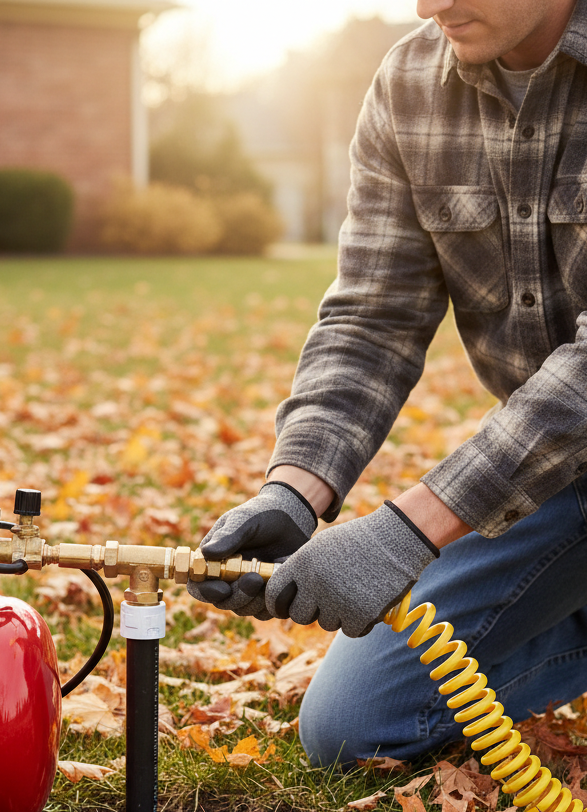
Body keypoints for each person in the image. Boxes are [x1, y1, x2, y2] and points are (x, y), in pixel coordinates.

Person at [187, 0, 587, 769]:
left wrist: (410, 528)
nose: (428, 5)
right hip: (555, 480)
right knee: (355, 728)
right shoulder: (409, 85)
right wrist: (295, 491)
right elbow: (373, 316)